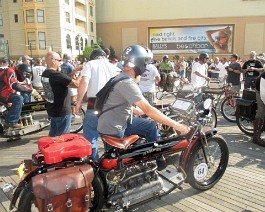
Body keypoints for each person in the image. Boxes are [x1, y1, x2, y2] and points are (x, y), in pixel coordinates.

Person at [97, 45, 190, 149]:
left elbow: (118, 103)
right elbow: (149, 109)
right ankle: (149, 156)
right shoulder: (127, 83)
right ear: (139, 63)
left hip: (113, 121)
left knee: (150, 126)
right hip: (113, 128)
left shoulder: (119, 77)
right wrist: (178, 126)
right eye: (145, 62)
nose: (145, 66)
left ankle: (151, 155)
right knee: (116, 161)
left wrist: (142, 112)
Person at [75, 48, 121, 161]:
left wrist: (78, 103)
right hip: (112, 108)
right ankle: (110, 166)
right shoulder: (114, 67)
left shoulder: (90, 64)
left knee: (90, 142)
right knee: (112, 143)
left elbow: (84, 82)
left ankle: (95, 167)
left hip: (94, 106)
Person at [41, 51, 79, 137]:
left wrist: (75, 71)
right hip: (62, 111)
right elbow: (77, 84)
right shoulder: (55, 74)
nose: (61, 62)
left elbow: (64, 79)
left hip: (52, 109)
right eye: (59, 60)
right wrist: (81, 74)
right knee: (61, 139)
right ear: (53, 61)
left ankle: (48, 150)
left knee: (53, 137)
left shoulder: (45, 73)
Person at [0, 59, 37, 128]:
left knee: (15, 100)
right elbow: (14, 85)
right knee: (18, 98)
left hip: (3, 94)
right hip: (3, 94)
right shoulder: (9, 71)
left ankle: (8, 121)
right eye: (25, 74)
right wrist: (30, 91)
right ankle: (11, 121)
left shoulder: (4, 70)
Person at [252, 71, 265, 147]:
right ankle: (256, 138)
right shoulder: (264, 77)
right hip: (260, 90)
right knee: (261, 111)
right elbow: (263, 95)